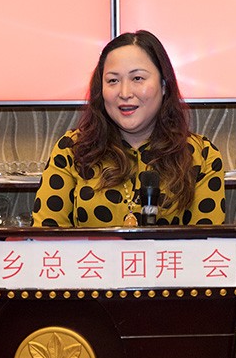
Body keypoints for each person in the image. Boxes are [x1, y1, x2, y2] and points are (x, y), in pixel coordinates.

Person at [32, 30, 225, 227]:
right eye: (113, 81)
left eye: (138, 78)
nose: (124, 93)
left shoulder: (202, 155)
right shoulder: (72, 150)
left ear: (164, 85)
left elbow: (209, 242)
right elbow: (45, 237)